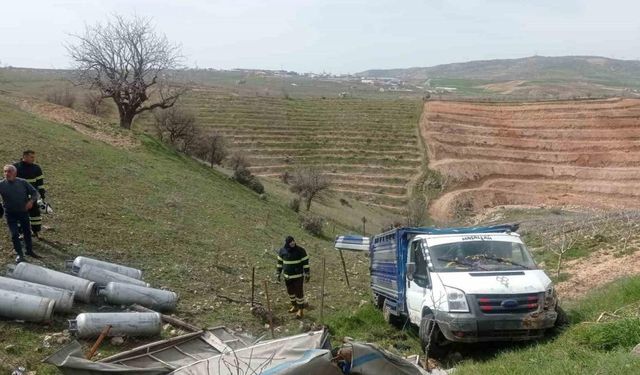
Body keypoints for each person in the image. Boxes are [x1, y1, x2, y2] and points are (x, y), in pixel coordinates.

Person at [0, 165, 41, 263]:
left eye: (9, 171)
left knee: (27, 232)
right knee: (14, 234)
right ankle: (19, 254)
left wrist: (31, 202)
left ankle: (29, 251)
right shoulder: (1, 184)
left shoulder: (22, 182)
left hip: (23, 212)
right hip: (10, 214)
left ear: (15, 173)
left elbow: (35, 193)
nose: (7, 173)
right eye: (5, 171)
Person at [276, 236, 310, 318]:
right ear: (287, 243)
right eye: (290, 242)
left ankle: (301, 310)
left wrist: (307, 273)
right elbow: (279, 263)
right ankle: (294, 306)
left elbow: (305, 262)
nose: (293, 243)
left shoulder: (300, 250)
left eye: (293, 241)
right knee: (290, 292)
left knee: (299, 293)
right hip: (287, 277)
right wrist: (278, 273)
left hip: (298, 276)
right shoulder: (282, 251)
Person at [14, 150, 46, 237]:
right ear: (24, 156)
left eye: (34, 157)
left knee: (35, 214)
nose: (33, 159)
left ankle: (36, 231)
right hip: (19, 195)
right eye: (31, 157)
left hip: (32, 196)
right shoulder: (15, 167)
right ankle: (20, 232)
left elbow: (40, 183)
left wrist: (42, 195)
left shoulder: (36, 168)